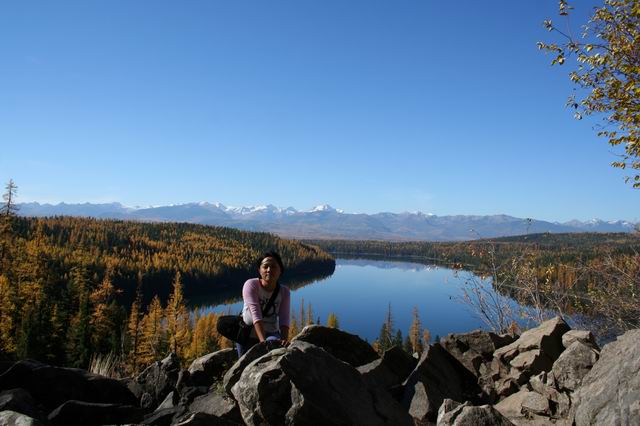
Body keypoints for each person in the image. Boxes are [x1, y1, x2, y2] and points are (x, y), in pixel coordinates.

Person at [237, 251, 291, 356]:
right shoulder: (251, 285)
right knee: (244, 367)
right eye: (265, 266)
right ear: (259, 270)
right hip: (248, 334)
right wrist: (263, 343)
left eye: (274, 267)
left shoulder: (284, 292)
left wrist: (284, 340)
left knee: (274, 348)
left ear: (280, 270)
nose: (269, 270)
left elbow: (284, 318)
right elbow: (255, 315)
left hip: (271, 333)